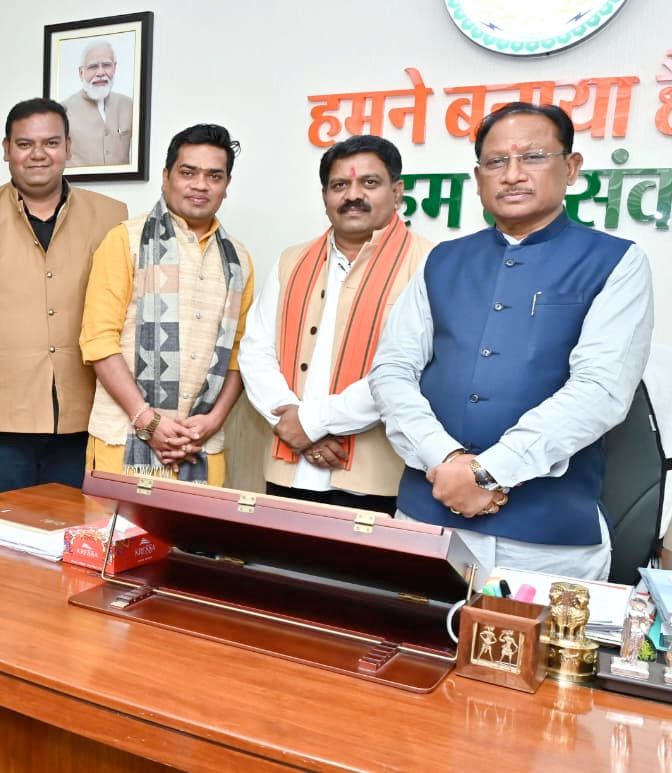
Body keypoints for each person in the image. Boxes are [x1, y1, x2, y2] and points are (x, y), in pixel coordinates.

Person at [371, 103, 655, 581]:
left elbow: (601, 391)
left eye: (533, 157)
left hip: (547, 537)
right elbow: (392, 371)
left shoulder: (616, 262)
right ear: (478, 177)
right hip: (426, 519)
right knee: (407, 630)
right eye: (496, 161)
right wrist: (445, 459)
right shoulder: (441, 260)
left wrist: (488, 473)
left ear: (571, 168)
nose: (513, 174)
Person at [0, 98, 127, 496]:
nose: (38, 154)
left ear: (68, 147)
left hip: (85, 417)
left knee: (76, 528)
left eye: (51, 143)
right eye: (24, 144)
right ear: (7, 150)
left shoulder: (113, 219)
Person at [239, 135, 430, 514]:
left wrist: (311, 423)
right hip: (288, 469)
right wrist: (290, 419)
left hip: (375, 482)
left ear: (397, 192)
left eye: (369, 183)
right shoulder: (292, 260)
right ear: (324, 195)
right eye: (340, 185)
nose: (352, 195)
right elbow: (256, 350)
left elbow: (410, 369)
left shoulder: (428, 263)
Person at [80, 124, 253, 486]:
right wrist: (147, 420)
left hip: (202, 446)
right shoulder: (124, 240)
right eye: (188, 172)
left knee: (197, 529)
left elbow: (240, 353)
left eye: (214, 176)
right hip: (123, 440)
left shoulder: (238, 259)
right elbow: (98, 341)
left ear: (226, 185)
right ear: (166, 177)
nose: (201, 185)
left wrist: (214, 420)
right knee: (116, 527)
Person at [61, 39, 133, 167]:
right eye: (93, 67)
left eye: (106, 65)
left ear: (114, 67)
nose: (100, 73)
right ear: (81, 72)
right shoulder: (63, 111)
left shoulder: (130, 106)